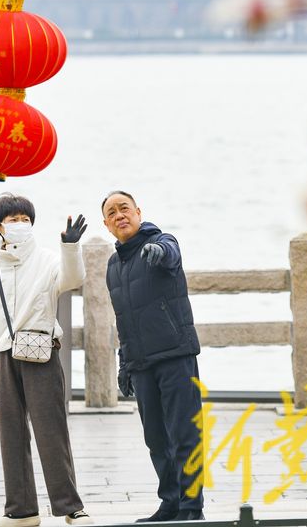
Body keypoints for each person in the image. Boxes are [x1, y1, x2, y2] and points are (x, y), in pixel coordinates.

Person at [0, 193, 94, 527]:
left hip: (40, 352)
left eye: (25, 219)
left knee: (50, 431)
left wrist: (71, 248)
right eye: (13, 220)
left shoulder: (47, 260)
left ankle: (71, 507)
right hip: (1, 357)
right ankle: (21, 510)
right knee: (10, 434)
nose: (20, 225)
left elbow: (73, 280)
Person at [101, 191, 204, 522]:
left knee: (184, 434)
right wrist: (124, 364)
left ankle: (191, 507)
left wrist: (159, 251)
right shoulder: (113, 266)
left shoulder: (162, 240)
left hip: (175, 355)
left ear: (138, 212)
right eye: (112, 213)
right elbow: (123, 319)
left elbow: (171, 253)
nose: (120, 216)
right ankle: (171, 502)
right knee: (157, 440)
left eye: (125, 209)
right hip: (142, 364)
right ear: (106, 225)